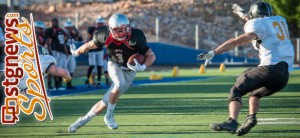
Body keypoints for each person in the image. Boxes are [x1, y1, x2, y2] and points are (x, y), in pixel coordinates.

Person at [197, 2, 294, 136]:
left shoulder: (258, 25)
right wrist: (243, 14)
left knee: (236, 89)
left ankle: (232, 121)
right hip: (284, 76)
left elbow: (238, 41)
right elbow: (260, 21)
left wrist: (214, 52)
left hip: (270, 68)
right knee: (255, 93)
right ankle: (251, 117)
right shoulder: (279, 21)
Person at [68, 13, 156, 132]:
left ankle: (83, 120)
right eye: (118, 30)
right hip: (114, 64)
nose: (122, 33)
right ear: (110, 29)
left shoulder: (136, 36)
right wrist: (76, 52)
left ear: (128, 27)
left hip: (130, 70)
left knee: (106, 100)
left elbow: (151, 55)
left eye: (124, 29)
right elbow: (89, 45)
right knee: (118, 84)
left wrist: (144, 66)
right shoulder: (103, 34)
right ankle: (109, 116)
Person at [45, 18, 69, 91]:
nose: (55, 23)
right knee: (51, 69)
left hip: (60, 52)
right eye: (54, 21)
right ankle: (49, 85)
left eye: (56, 21)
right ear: (51, 22)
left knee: (58, 69)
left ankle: (57, 84)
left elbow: (63, 42)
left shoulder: (61, 30)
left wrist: (66, 51)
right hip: (54, 51)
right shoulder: (51, 30)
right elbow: (49, 42)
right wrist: (49, 51)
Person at [85, 17, 106, 88]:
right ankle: (87, 79)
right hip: (92, 50)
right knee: (92, 65)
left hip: (100, 50)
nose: (100, 25)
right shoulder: (92, 29)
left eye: (101, 23)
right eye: (99, 23)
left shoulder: (105, 30)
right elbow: (88, 39)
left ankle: (99, 82)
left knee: (100, 66)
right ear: (97, 23)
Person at [63, 21, 82, 89]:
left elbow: (80, 39)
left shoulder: (72, 34)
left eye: (70, 27)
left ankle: (69, 84)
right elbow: (63, 43)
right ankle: (59, 84)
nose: (69, 29)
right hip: (65, 54)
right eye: (67, 28)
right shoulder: (63, 33)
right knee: (64, 69)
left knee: (71, 69)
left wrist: (75, 30)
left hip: (72, 54)